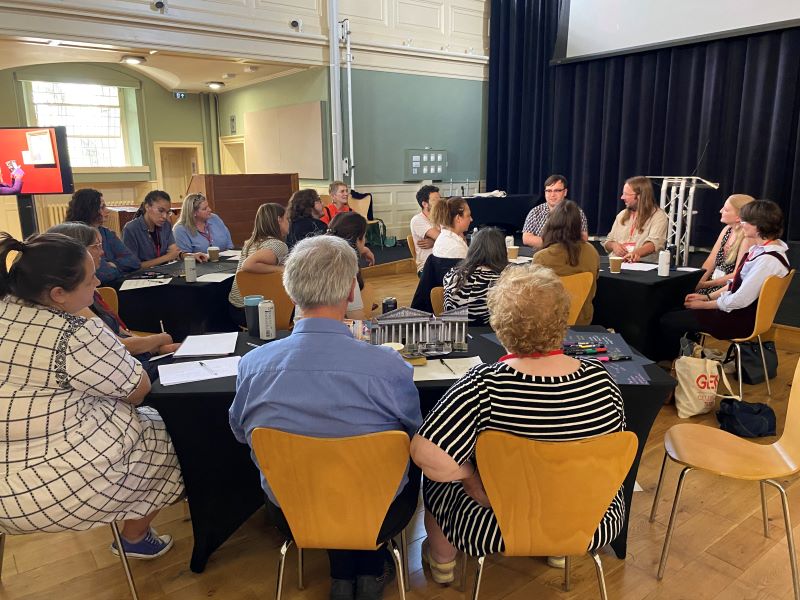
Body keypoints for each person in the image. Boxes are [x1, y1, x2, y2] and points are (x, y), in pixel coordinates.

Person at [229, 235, 422, 600]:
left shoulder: (252, 366)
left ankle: (342, 577)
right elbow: (413, 436)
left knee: (323, 468)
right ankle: (367, 573)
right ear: (351, 291)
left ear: (290, 288)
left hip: (293, 506)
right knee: (378, 470)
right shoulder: (388, 366)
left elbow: (242, 434)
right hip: (379, 509)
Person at [410, 264, 626, 582]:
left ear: (500, 325)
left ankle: (443, 561)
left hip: (494, 523)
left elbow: (426, 455)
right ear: (562, 320)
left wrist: (470, 476)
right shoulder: (600, 378)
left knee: (438, 477)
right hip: (589, 517)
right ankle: (558, 548)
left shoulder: (483, 385)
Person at [0, 231, 183, 559]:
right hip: (47, 488)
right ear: (58, 293)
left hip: (10, 463)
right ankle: (135, 536)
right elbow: (137, 390)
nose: (98, 282)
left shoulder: (6, 309)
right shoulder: (77, 333)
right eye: (89, 280)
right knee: (178, 437)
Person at [48, 222, 180, 381]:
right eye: (96, 246)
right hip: (121, 368)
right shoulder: (75, 303)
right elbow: (117, 344)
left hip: (127, 358)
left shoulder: (89, 291)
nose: (103, 252)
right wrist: (160, 339)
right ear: (78, 252)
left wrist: (155, 348)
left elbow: (123, 333)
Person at [661, 199, 790, 357]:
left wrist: (703, 305)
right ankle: (688, 357)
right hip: (740, 314)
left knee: (668, 319)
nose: (742, 224)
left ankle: (673, 365)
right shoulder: (767, 251)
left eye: (745, 221)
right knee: (677, 309)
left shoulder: (767, 260)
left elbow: (739, 300)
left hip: (738, 320)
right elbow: (735, 283)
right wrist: (706, 297)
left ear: (758, 226)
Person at [532, 200, 600, 325]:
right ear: (578, 225)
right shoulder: (592, 252)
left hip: (548, 325)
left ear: (551, 224)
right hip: (582, 322)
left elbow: (535, 297)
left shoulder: (541, 258)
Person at [228, 202, 290, 326]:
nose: (289, 222)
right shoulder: (277, 245)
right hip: (256, 312)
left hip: (236, 308)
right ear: (279, 220)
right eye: (286, 219)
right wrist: (282, 269)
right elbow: (248, 265)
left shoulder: (250, 242)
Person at [66, 188, 140, 283]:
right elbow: (103, 275)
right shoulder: (76, 236)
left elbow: (134, 262)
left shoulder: (107, 233)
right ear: (89, 210)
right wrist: (117, 268)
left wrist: (113, 264)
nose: (107, 210)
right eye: (102, 207)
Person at [123, 190, 207, 268]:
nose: (164, 216)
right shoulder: (131, 229)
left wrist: (191, 256)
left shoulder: (165, 225)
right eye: (160, 210)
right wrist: (166, 258)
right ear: (147, 207)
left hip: (163, 273)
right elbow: (133, 266)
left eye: (167, 212)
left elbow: (175, 253)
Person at [442, 227, 507, 325]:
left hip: (453, 332)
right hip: (488, 335)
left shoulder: (452, 274)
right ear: (501, 251)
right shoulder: (502, 282)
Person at [695, 194, 755, 294]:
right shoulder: (727, 230)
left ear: (738, 217)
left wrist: (705, 285)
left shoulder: (746, 239)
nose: (721, 211)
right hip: (713, 283)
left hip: (727, 289)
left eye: (726, 210)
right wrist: (697, 283)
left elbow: (737, 275)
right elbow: (710, 261)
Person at [603, 176, 668, 263]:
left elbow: (654, 244)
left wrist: (636, 253)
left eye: (626, 194)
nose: (622, 197)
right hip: (617, 264)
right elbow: (608, 242)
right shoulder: (621, 215)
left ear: (640, 196)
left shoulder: (658, 216)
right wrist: (614, 246)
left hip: (643, 265)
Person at [522, 174, 588, 249]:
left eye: (557, 190)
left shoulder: (576, 212)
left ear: (565, 192)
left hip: (567, 255)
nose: (552, 195)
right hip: (541, 254)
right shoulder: (535, 212)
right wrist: (556, 245)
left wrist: (555, 246)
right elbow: (526, 238)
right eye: (549, 191)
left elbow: (584, 238)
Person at [410, 185, 441, 274]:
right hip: (427, 268)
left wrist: (434, 242)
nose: (440, 202)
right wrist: (437, 240)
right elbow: (445, 238)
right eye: (435, 200)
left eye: (440, 198)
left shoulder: (441, 217)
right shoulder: (417, 220)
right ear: (425, 204)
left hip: (442, 261)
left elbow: (459, 238)